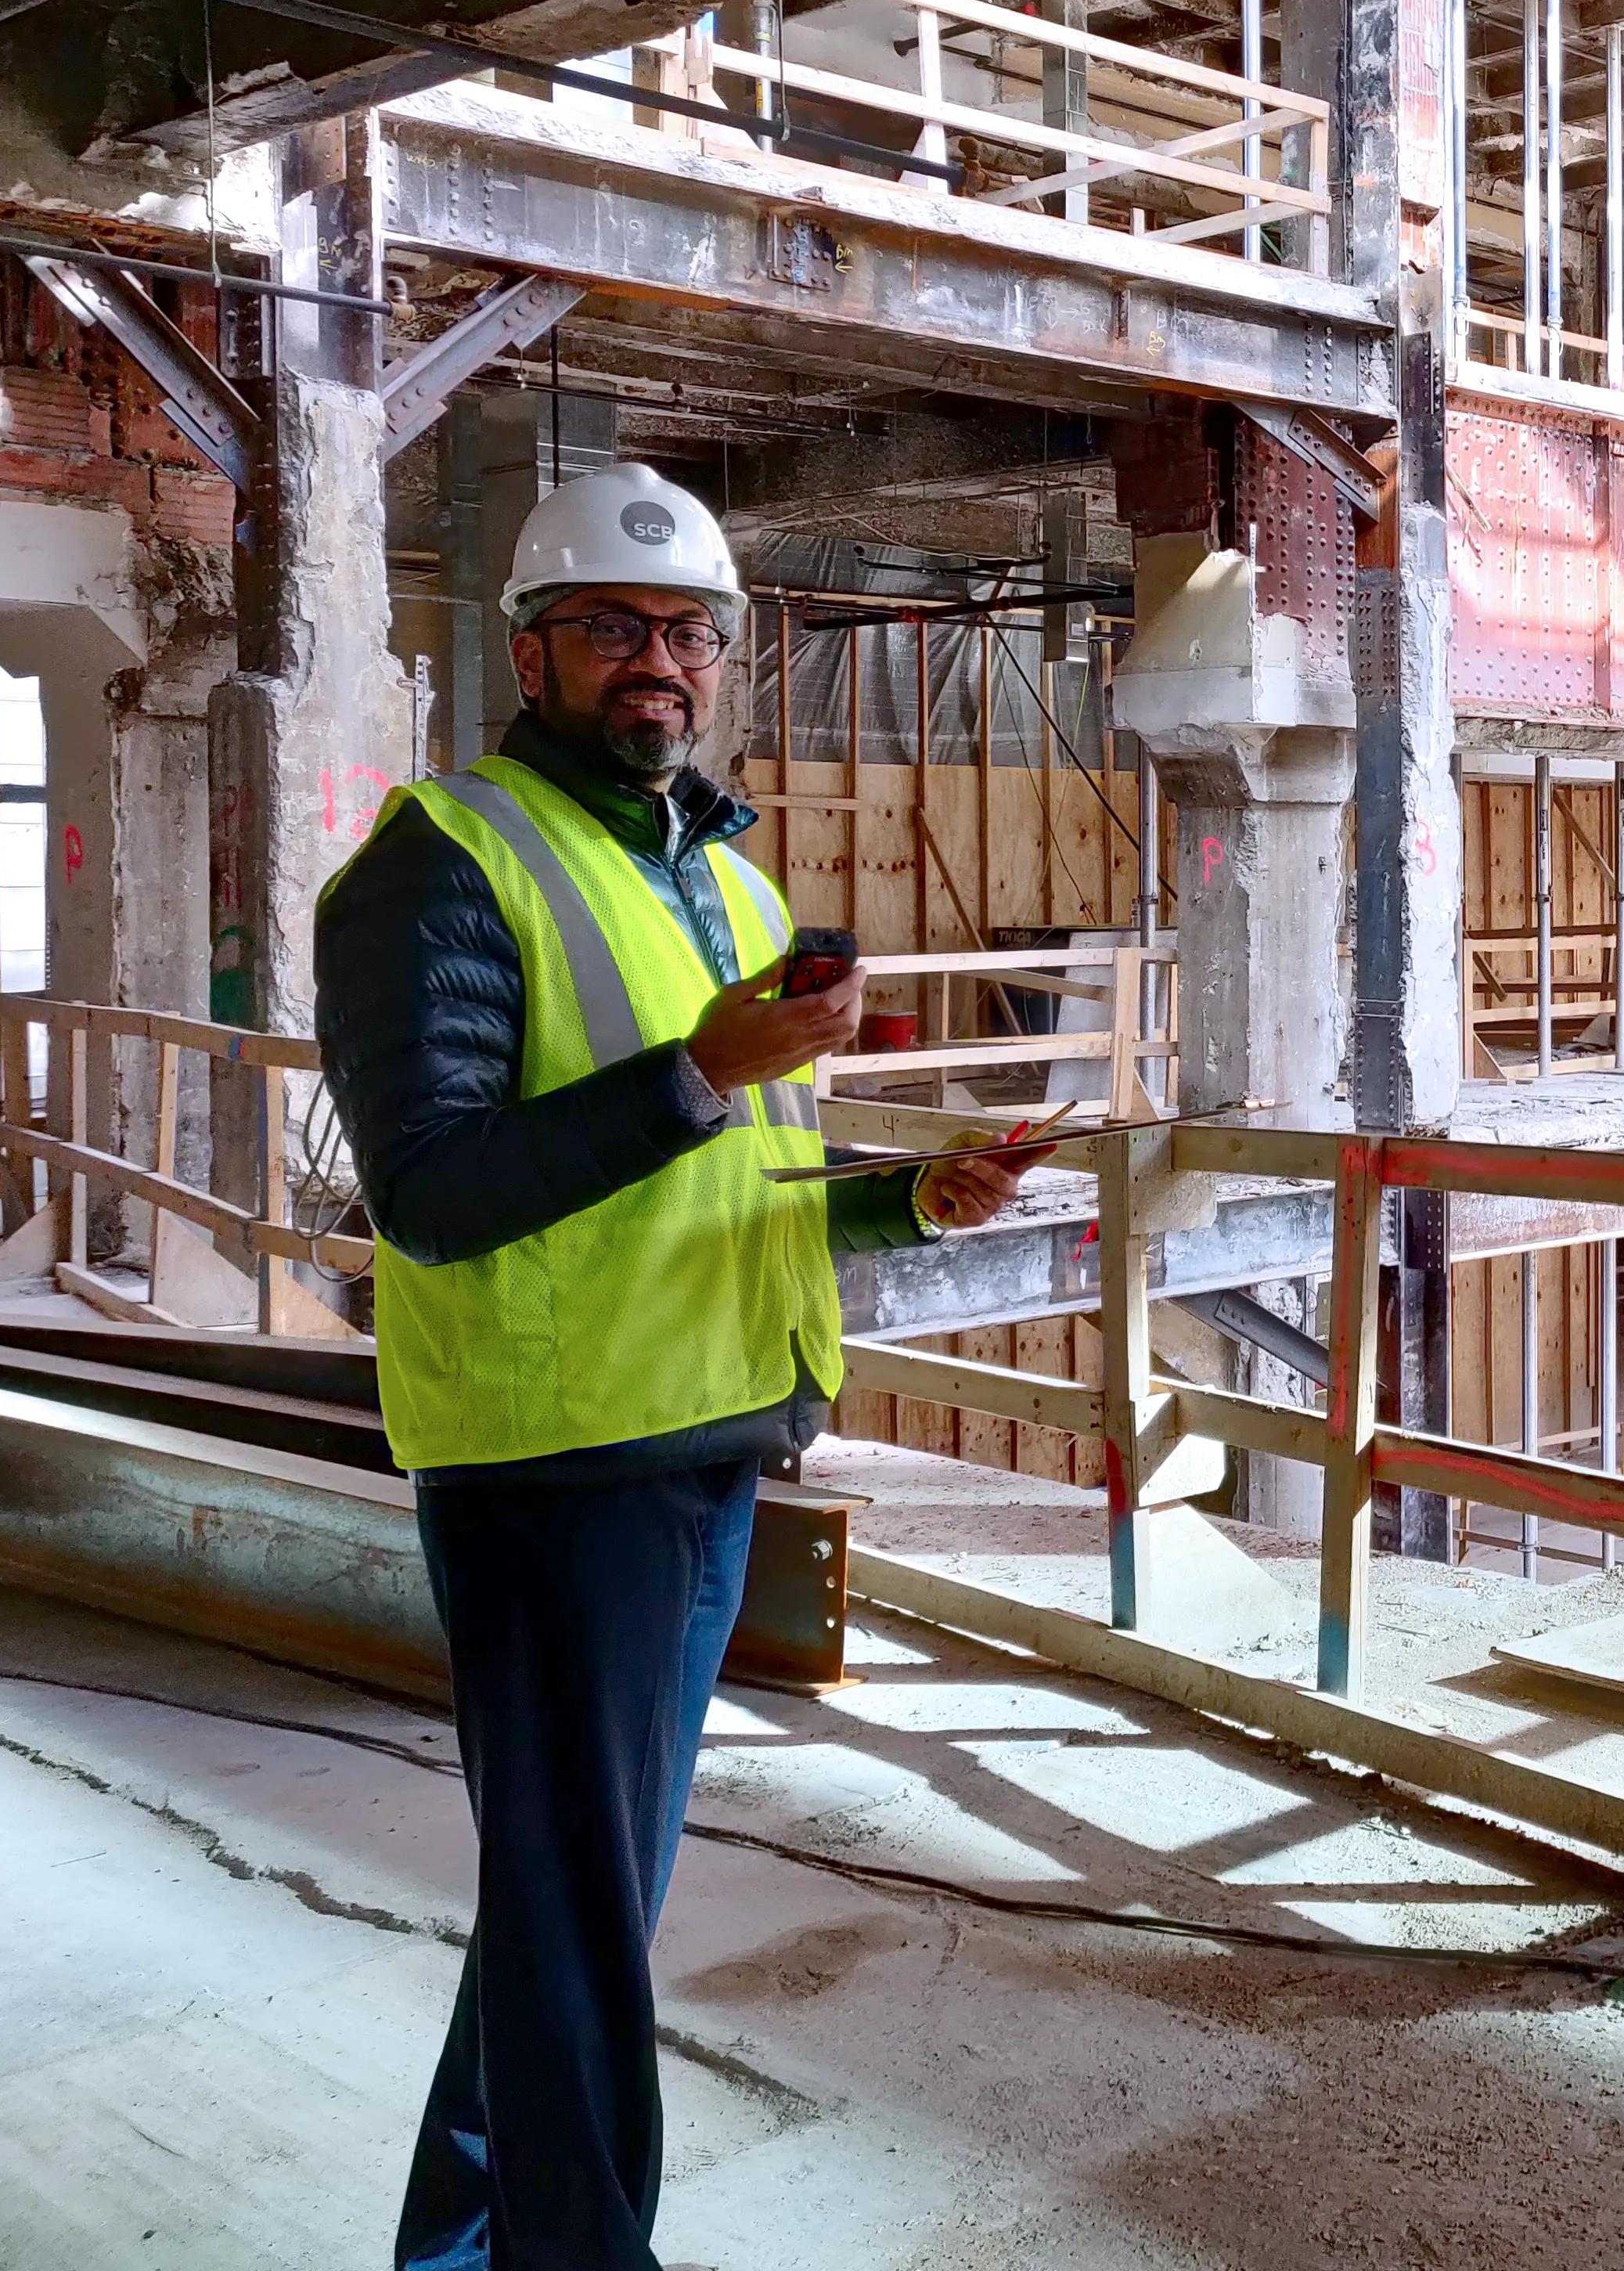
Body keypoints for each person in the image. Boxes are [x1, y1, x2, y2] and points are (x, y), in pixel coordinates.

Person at [317, 462, 1041, 2271]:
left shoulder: (720, 872)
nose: (660, 661)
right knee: (578, 1923)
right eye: (616, 628)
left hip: (712, 1440)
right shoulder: (437, 867)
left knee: (575, 1906)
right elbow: (435, 1194)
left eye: (690, 633)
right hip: (561, 1472)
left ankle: (457, 2251)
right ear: (534, 649)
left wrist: (901, 1203)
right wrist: (699, 1072)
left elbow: (742, 1175)